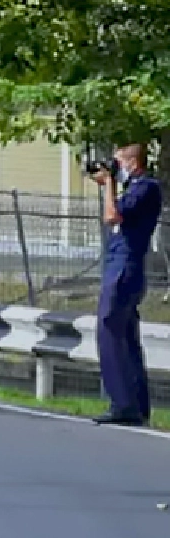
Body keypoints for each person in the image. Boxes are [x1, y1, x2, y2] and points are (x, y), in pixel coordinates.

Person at [88, 143, 158, 425]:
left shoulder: (146, 187)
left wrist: (108, 185)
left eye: (118, 164)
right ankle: (137, 405)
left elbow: (111, 216)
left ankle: (123, 403)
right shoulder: (132, 190)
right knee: (126, 335)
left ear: (132, 163)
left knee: (108, 328)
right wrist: (109, 183)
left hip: (126, 268)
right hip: (121, 266)